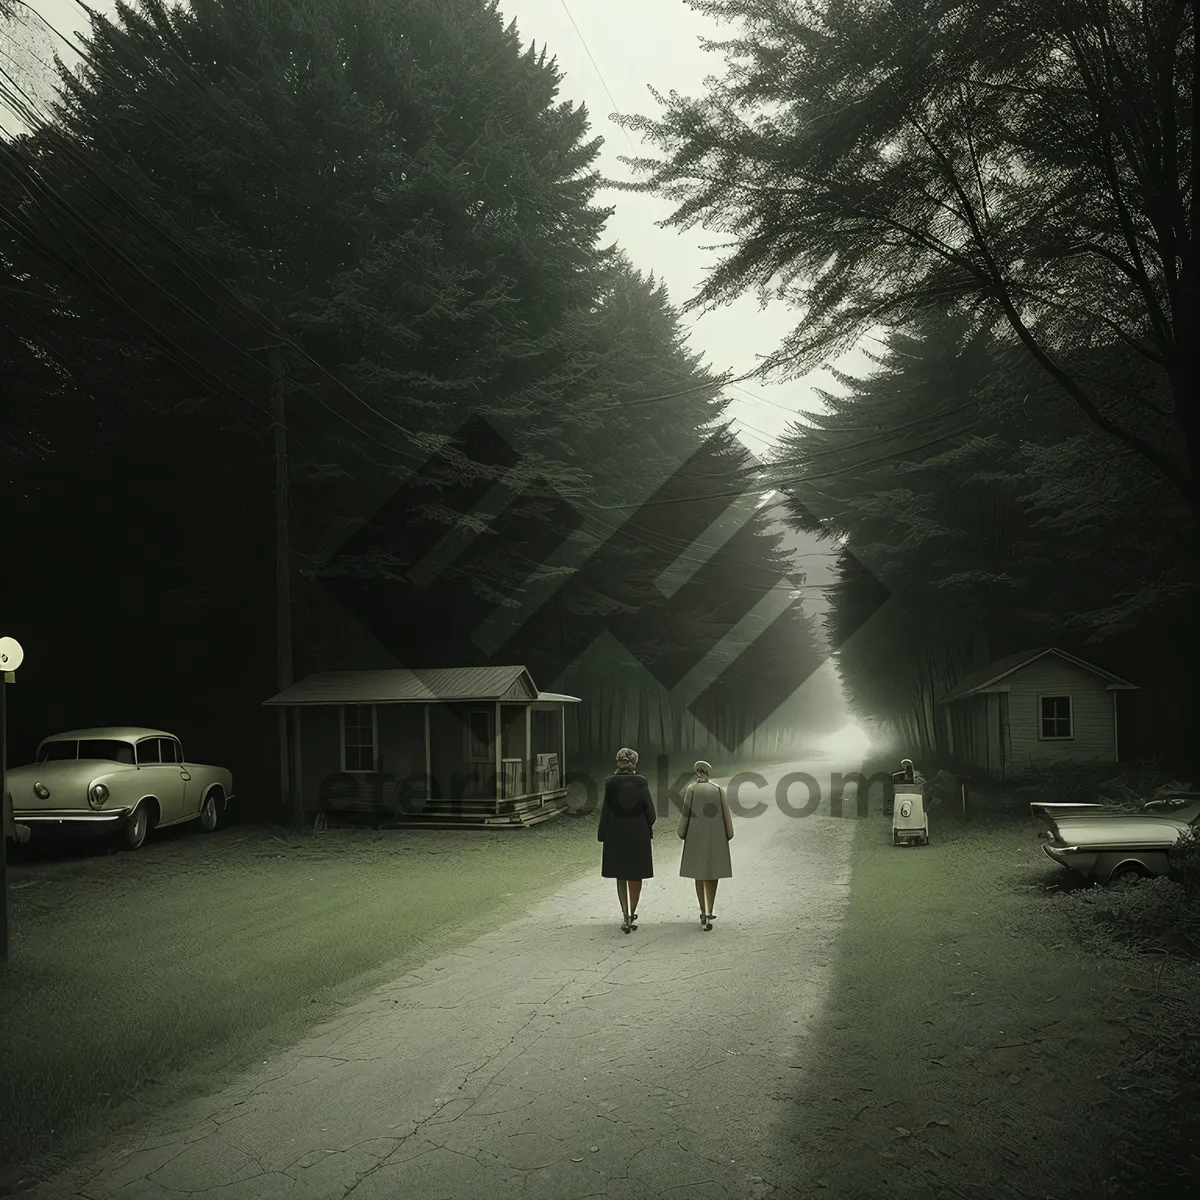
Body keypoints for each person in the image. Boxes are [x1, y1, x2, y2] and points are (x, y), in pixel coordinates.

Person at [598, 747, 656, 934]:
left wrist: (602, 833)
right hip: (638, 834)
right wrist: (646, 827)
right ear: (634, 763)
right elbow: (651, 812)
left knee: (620, 874)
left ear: (617, 762)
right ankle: (632, 912)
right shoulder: (641, 781)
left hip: (615, 834)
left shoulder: (610, 782)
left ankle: (624, 914)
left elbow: (606, 810)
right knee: (635, 874)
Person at [677, 760, 733, 931]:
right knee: (713, 873)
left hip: (695, 836)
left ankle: (703, 910)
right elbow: (726, 815)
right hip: (716, 836)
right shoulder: (718, 790)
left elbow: (685, 814)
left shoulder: (692, 790)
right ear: (709, 772)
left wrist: (682, 832)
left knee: (699, 874)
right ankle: (710, 909)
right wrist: (728, 834)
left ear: (696, 772)